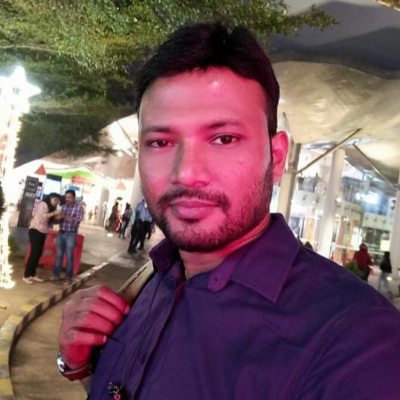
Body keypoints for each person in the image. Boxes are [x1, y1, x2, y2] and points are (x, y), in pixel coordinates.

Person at [57, 23, 400, 399]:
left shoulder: (358, 344)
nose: (186, 172)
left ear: (277, 158)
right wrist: (77, 363)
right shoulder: (150, 282)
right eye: (160, 141)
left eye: (223, 138)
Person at [23, 193, 62, 284]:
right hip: (36, 230)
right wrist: (54, 213)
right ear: (50, 198)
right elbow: (42, 217)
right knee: (34, 253)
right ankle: (26, 275)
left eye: (58, 201)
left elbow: (50, 221)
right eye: (55, 200)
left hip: (42, 231)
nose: (56, 202)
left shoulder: (51, 208)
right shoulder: (43, 204)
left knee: (38, 253)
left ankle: (32, 274)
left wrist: (57, 217)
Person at [52, 190, 84, 285]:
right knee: (59, 255)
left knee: (69, 256)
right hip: (61, 232)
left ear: (74, 197)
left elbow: (76, 222)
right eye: (66, 197)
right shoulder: (63, 207)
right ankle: (56, 275)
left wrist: (64, 216)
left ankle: (68, 277)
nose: (67, 199)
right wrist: (57, 218)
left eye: (69, 197)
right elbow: (58, 221)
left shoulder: (79, 208)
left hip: (71, 234)